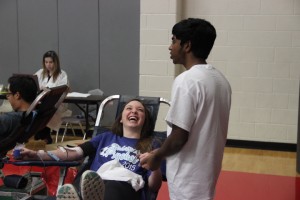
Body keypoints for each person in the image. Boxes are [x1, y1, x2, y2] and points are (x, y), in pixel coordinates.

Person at [139, 18, 232, 200]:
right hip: (207, 172)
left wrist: (157, 156)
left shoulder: (187, 80)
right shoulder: (221, 81)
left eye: (173, 40)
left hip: (188, 175)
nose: (170, 47)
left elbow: (179, 136)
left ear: (187, 45)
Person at [17, 99, 162, 200]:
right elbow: (72, 152)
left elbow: (153, 187)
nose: (134, 111)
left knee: (110, 187)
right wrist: (38, 154)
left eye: (140, 110)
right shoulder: (104, 138)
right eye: (129, 108)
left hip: (125, 186)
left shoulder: (151, 144)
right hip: (95, 181)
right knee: (88, 185)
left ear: (145, 120)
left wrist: (155, 167)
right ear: (121, 119)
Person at [34, 50, 69, 144]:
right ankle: (42, 135)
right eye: (46, 62)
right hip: (42, 101)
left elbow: (63, 89)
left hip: (57, 103)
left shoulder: (62, 74)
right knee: (34, 110)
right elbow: (33, 84)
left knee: (45, 111)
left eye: (50, 62)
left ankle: (43, 136)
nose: (48, 65)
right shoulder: (40, 72)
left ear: (55, 62)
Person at [0, 75, 38, 140]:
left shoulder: (8, 119)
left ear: (17, 95)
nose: (7, 98)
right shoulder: (36, 114)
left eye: (8, 94)